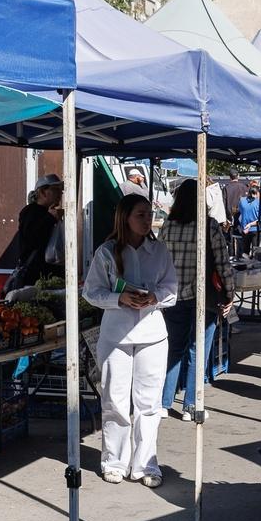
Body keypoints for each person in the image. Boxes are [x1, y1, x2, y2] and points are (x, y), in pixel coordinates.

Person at [83, 194, 178, 488]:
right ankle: (114, 460)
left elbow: (172, 289)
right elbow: (91, 292)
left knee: (149, 404)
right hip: (116, 335)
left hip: (152, 334)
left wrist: (154, 297)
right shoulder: (107, 252)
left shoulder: (159, 249)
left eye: (149, 214)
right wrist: (118, 298)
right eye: (141, 214)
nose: (147, 219)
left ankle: (146, 463)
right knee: (115, 400)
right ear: (125, 217)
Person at [159, 180, 234, 422]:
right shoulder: (208, 226)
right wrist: (230, 293)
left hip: (172, 296)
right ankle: (191, 405)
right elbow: (223, 263)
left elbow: (158, 259)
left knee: (174, 348)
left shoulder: (168, 225)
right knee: (198, 350)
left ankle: (163, 402)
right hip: (203, 297)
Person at [15, 173, 64, 286]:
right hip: (34, 278)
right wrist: (50, 219)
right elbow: (31, 239)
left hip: (51, 275)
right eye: (56, 189)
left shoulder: (50, 213)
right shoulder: (30, 211)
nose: (60, 193)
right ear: (42, 192)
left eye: (61, 190)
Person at [235, 181, 261, 257]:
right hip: (256, 229)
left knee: (245, 251)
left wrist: (247, 224)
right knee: (255, 250)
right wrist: (250, 224)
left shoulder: (242, 201)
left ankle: (246, 265)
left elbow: (239, 212)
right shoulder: (259, 203)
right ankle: (253, 265)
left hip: (245, 229)